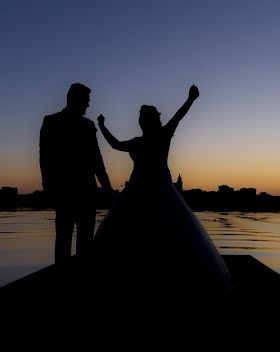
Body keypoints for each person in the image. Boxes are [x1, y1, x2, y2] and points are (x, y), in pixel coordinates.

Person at [93, 85, 230, 298]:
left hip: (141, 192)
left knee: (133, 233)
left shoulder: (141, 142)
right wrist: (190, 99)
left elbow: (115, 144)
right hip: (159, 191)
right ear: (152, 120)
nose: (158, 119)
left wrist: (102, 125)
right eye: (156, 116)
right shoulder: (160, 136)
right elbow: (178, 116)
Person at [39, 83, 113, 265]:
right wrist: (107, 188)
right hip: (72, 192)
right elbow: (46, 158)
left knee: (73, 239)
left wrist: (107, 187)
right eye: (86, 101)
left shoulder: (84, 125)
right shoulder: (53, 122)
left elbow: (97, 160)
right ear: (76, 100)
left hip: (79, 192)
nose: (88, 105)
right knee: (69, 238)